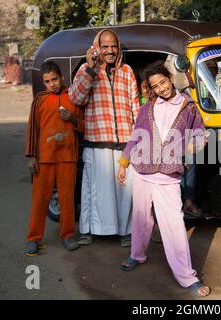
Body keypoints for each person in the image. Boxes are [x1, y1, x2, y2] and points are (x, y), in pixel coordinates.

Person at [116, 61, 211, 297]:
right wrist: (124, 162)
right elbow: (135, 137)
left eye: (163, 82)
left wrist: (192, 144)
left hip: (168, 176)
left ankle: (187, 277)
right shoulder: (147, 108)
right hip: (142, 171)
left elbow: (202, 134)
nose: (161, 89)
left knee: (174, 226)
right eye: (155, 86)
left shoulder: (188, 107)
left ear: (170, 78)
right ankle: (136, 255)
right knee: (140, 218)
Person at [68, 29, 140, 247]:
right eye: (105, 46)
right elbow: (76, 98)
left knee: (125, 190)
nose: (109, 51)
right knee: (94, 189)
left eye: (113, 46)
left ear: (118, 48)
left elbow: (135, 106)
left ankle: (126, 231)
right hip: (96, 141)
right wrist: (90, 68)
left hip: (124, 142)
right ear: (97, 47)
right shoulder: (86, 69)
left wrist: (138, 139)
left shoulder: (127, 71)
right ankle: (88, 230)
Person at [24, 61, 83, 256]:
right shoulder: (39, 99)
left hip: (68, 156)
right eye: (47, 81)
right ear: (43, 82)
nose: (52, 84)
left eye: (55, 79)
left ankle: (67, 235)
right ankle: (33, 238)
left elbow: (84, 126)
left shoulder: (73, 97)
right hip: (44, 158)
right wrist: (31, 156)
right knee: (40, 199)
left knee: (67, 198)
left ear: (62, 78)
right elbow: (33, 128)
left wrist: (73, 119)